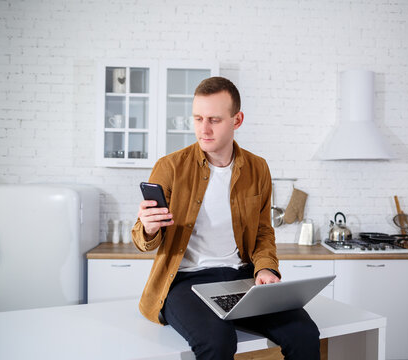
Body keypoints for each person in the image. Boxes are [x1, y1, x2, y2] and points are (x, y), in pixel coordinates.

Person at [131, 76, 320, 359]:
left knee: (304, 333)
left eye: (214, 120)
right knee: (217, 342)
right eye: (197, 118)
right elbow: (143, 239)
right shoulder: (169, 167)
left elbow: (264, 232)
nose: (203, 129)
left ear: (237, 119)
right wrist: (147, 228)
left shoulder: (258, 168)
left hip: (241, 277)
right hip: (185, 282)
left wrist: (266, 269)